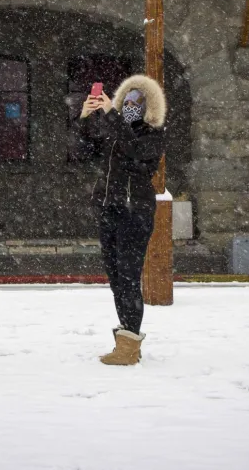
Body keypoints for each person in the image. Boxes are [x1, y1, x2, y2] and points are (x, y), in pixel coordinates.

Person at [80, 74, 166, 366]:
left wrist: (114, 117)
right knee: (117, 278)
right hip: (109, 210)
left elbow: (136, 154)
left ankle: (129, 346)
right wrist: (85, 120)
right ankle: (127, 340)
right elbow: (83, 151)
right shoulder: (114, 128)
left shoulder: (152, 134)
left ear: (147, 106)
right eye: (126, 100)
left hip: (134, 212)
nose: (130, 105)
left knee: (129, 277)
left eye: (136, 101)